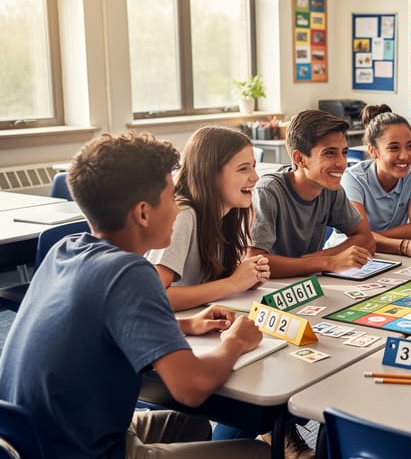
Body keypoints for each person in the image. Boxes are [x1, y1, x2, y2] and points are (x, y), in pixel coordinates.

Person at [0, 131, 268, 458]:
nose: (178, 208)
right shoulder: (131, 273)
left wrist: (185, 326)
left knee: (192, 426)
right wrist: (235, 343)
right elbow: (192, 388)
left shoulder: (64, 249)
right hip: (86, 452)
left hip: (31, 441)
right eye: (171, 198)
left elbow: (101, 326)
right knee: (257, 452)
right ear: (143, 213)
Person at [146, 126, 270, 312]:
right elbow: (153, 297)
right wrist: (233, 283)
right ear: (210, 175)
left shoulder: (227, 213)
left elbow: (209, 280)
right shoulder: (183, 215)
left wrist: (245, 276)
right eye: (243, 169)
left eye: (253, 166)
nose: (255, 177)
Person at [250, 109, 376, 277]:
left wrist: (316, 258)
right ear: (300, 159)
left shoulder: (330, 189)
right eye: (329, 153)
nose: (342, 163)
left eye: (344, 152)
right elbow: (255, 263)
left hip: (306, 283)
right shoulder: (268, 191)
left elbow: (366, 239)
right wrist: (328, 262)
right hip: (268, 290)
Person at [340, 104, 411, 258]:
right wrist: (404, 245)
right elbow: (357, 239)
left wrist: (371, 237)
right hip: (345, 255)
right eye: (394, 148)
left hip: (386, 255)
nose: (405, 156)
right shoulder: (352, 178)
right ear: (373, 151)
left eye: (410, 146)